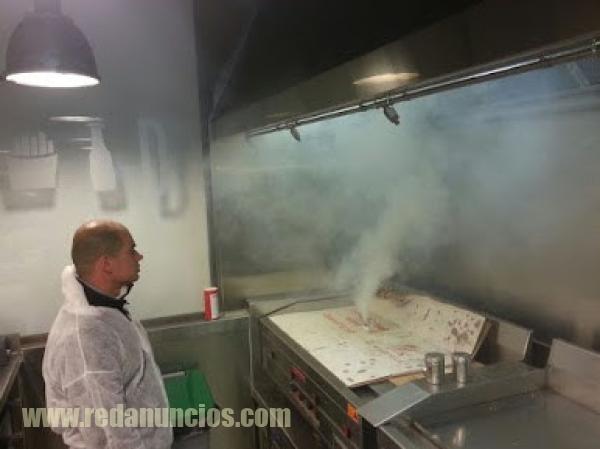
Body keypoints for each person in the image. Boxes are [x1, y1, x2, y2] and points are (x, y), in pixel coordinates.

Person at [43, 220, 173, 449]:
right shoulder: (86, 337)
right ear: (106, 264)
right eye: (131, 250)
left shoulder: (105, 309)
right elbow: (109, 435)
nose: (139, 256)